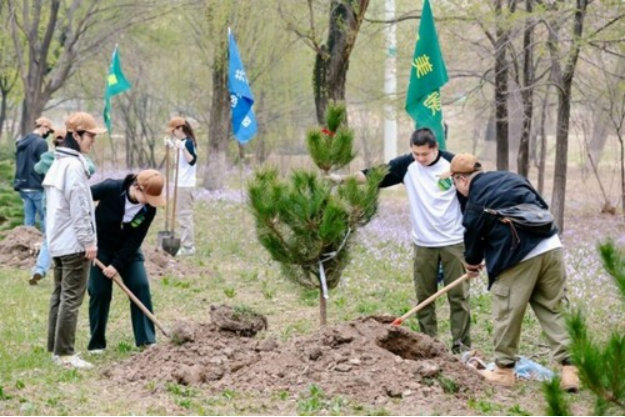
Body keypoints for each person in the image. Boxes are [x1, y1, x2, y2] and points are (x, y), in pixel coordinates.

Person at [330, 128, 471, 353]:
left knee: (458, 296)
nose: (420, 158)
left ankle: (462, 347)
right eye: (416, 153)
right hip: (424, 243)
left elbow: (475, 188)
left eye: (424, 154)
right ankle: (429, 343)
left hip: (454, 241)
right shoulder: (407, 165)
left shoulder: (453, 164)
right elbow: (371, 174)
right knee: (424, 296)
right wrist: (340, 180)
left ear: (435, 148)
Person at [448, 153, 580, 392]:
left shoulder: (476, 198)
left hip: (518, 257)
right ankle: (571, 370)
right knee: (554, 307)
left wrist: (472, 263)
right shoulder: (511, 177)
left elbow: (473, 234)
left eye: (454, 182)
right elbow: (541, 206)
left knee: (507, 310)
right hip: (551, 245)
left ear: (461, 179)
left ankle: (503, 371)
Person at [43, 112, 105, 369]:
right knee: (71, 298)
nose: (92, 141)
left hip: (57, 241)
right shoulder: (74, 166)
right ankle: (66, 354)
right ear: (75, 135)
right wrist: (88, 241)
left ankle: (54, 349)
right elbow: (80, 207)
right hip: (73, 243)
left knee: (59, 296)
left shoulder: (58, 163)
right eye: (90, 136)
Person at [87, 169, 166, 353]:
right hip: (100, 248)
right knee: (99, 292)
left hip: (127, 251)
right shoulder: (111, 188)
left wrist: (116, 265)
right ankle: (97, 343)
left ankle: (147, 339)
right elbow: (81, 197)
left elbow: (135, 240)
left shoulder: (149, 209)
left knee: (140, 285)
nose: (151, 202)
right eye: (148, 197)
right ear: (137, 188)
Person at [29, 128, 96, 285]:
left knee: (50, 236)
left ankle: (40, 268)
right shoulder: (75, 162)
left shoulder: (49, 158)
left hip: (49, 203)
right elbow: (91, 169)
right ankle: (46, 268)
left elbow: (37, 168)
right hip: (64, 207)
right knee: (64, 238)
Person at [14, 117, 54, 231]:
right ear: (44, 127)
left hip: (22, 185)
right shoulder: (41, 143)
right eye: (49, 131)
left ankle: (28, 246)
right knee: (45, 217)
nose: (48, 134)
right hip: (36, 185)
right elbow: (44, 166)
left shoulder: (22, 141)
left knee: (29, 220)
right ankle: (47, 246)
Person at [165, 117, 198, 256]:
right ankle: (186, 245)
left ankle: (188, 247)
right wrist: (171, 145)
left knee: (185, 215)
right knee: (180, 214)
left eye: (174, 131)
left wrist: (183, 148)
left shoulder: (189, 143)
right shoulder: (182, 142)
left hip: (186, 185)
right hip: (179, 183)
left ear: (180, 129)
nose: (173, 134)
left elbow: (192, 160)